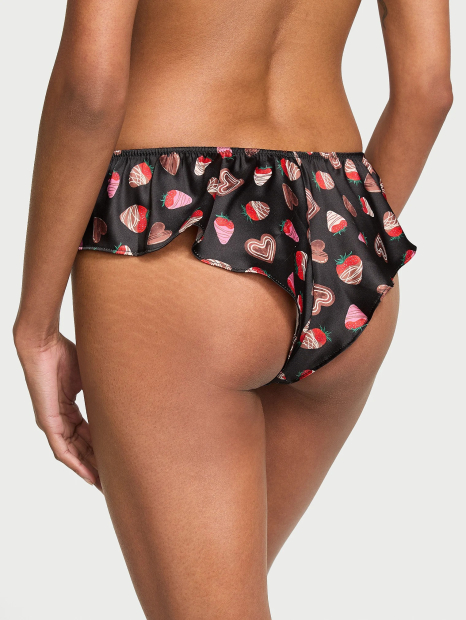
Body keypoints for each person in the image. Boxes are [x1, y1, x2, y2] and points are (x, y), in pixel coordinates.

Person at [13, 0, 452, 618]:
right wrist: (339, 245)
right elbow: (428, 90)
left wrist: (37, 327)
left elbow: (91, 87)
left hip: (178, 228)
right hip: (340, 214)